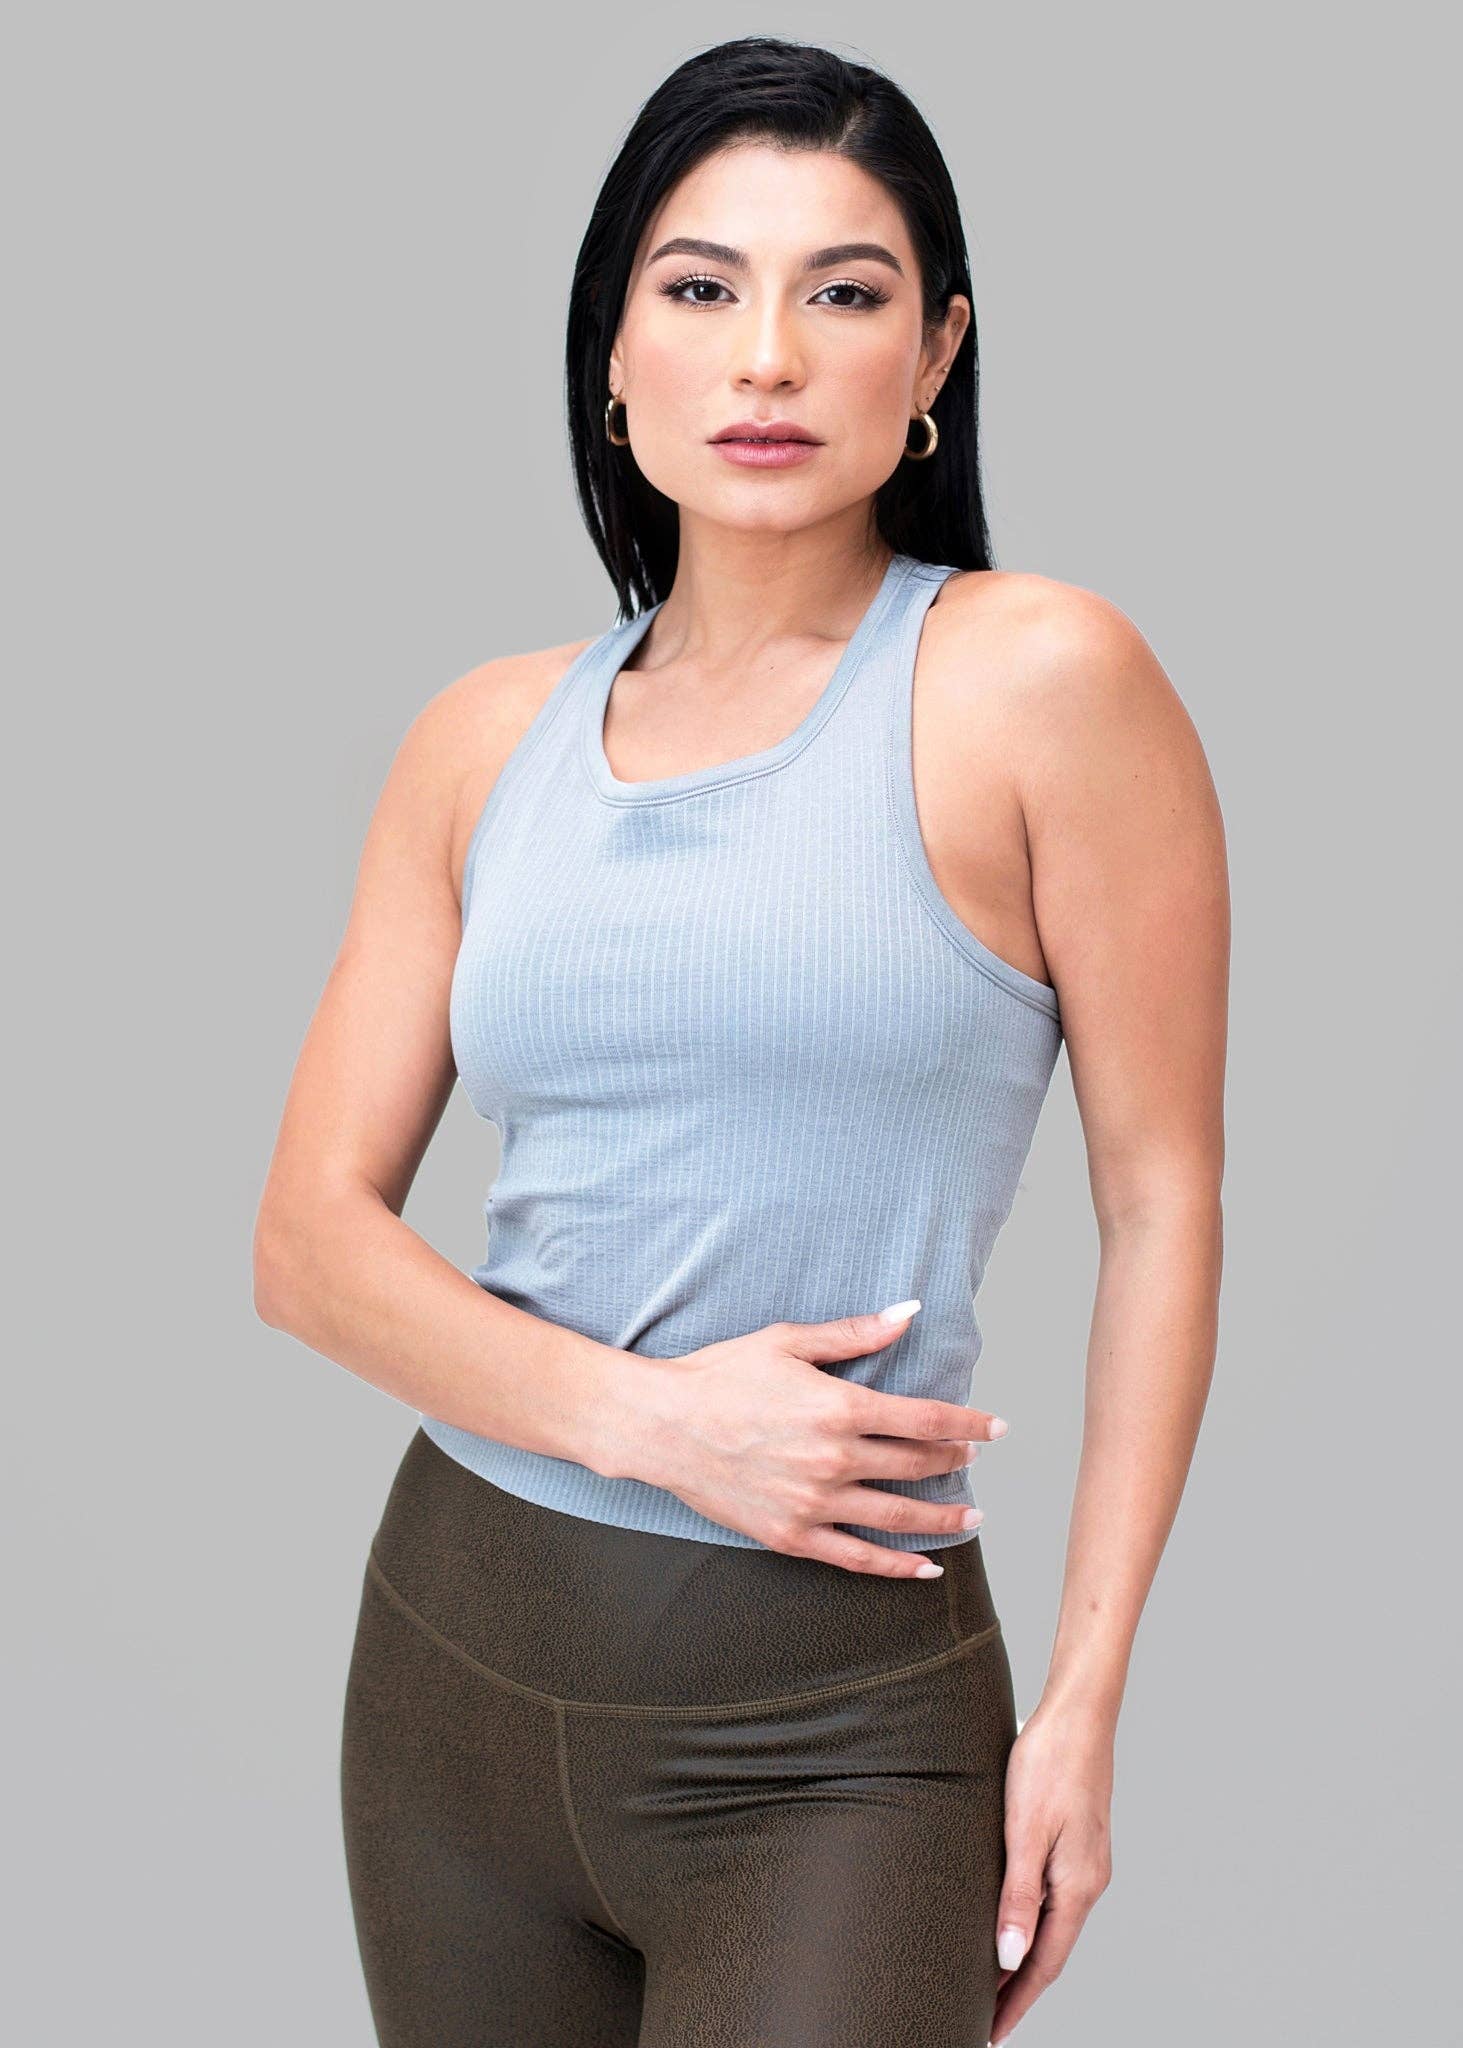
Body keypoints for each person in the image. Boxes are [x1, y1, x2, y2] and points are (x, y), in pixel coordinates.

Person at [253, 34, 1228, 2048]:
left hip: (833, 1739)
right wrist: (657, 1423)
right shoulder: (482, 741)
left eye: (843, 293)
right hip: (448, 1685)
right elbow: (306, 1243)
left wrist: (1085, 1703)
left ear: (937, 350)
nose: (768, 357)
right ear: (615, 352)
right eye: (701, 288)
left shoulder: (1041, 682)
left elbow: (1163, 1199)